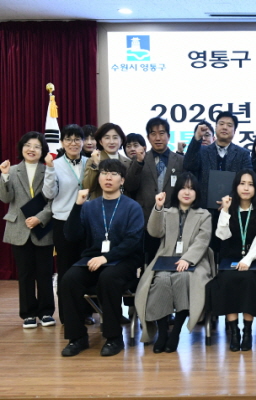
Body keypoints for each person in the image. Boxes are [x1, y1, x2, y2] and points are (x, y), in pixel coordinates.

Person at [60, 159, 144, 357]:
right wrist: (77, 205)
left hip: (124, 260)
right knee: (69, 280)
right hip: (93, 259)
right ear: (98, 178)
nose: (108, 177)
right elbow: (71, 236)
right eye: (104, 173)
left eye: (114, 174)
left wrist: (107, 258)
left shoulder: (132, 207)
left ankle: (113, 337)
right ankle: (77, 337)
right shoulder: (89, 206)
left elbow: (133, 241)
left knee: (108, 278)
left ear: (122, 180)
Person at [134, 172, 213, 353]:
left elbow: (202, 241)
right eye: (183, 188)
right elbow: (154, 232)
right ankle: (163, 332)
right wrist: (158, 207)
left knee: (182, 279)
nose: (187, 192)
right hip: (166, 260)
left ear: (197, 193)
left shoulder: (204, 215)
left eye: (191, 189)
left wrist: (187, 259)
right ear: (177, 191)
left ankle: (176, 332)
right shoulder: (167, 212)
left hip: (194, 262)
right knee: (161, 280)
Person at [207, 170, 256, 352]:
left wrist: (248, 260)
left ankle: (248, 332)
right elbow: (222, 235)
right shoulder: (229, 208)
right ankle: (234, 332)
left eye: (250, 184)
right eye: (242, 183)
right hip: (230, 260)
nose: (246, 188)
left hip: (254, 261)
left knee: (249, 280)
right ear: (236, 186)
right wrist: (225, 211)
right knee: (228, 280)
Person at [0, 132, 55, 329]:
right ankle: (28, 314)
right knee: (25, 274)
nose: (32, 149)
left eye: (37, 146)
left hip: (43, 227)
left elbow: (53, 199)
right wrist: (4, 176)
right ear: (21, 148)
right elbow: (6, 198)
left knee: (45, 273)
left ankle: (46, 312)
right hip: (19, 228)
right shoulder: (12, 170)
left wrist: (40, 218)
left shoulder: (48, 170)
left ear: (43, 151)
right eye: (28, 145)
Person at [43, 125, 90, 325]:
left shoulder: (90, 162)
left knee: (86, 268)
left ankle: (86, 312)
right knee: (66, 269)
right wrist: (49, 169)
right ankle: (67, 315)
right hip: (63, 222)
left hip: (87, 222)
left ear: (83, 142)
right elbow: (49, 194)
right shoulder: (55, 164)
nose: (73, 143)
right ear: (62, 142)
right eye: (69, 139)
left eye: (77, 139)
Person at [125, 117, 185, 263]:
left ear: (168, 136)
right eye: (153, 134)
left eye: (162, 133)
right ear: (148, 137)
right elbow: (130, 186)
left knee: (172, 260)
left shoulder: (180, 160)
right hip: (146, 219)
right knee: (150, 260)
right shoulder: (139, 159)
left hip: (174, 218)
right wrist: (139, 163)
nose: (158, 138)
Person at [183, 111, 252, 209]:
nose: (224, 127)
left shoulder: (243, 154)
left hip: (232, 209)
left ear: (235, 131)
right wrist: (197, 137)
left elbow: (248, 181)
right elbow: (188, 165)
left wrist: (233, 200)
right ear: (215, 128)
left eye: (229, 125)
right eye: (221, 124)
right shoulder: (202, 151)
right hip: (203, 210)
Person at [82, 122, 131, 199]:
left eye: (115, 138)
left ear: (121, 140)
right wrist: (95, 164)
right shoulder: (92, 160)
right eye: (107, 138)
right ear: (100, 141)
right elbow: (88, 187)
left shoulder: (128, 162)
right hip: (100, 203)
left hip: (122, 204)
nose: (111, 142)